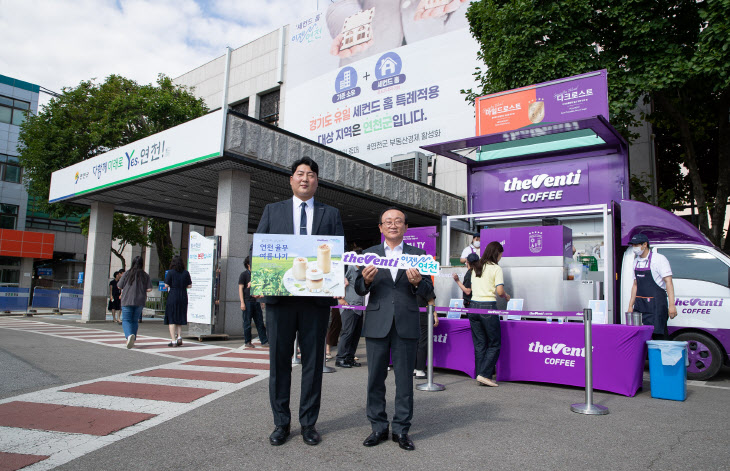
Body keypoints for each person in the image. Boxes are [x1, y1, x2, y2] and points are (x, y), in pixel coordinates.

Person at [255, 156, 345, 447]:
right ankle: (281, 423)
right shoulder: (272, 210)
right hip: (280, 299)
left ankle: (309, 424)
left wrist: (338, 280)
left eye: (310, 175)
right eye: (300, 174)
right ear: (291, 179)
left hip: (315, 300)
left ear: (317, 181)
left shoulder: (330, 214)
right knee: (279, 363)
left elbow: (336, 254)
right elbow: (261, 248)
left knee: (313, 362)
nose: (305, 178)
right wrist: (259, 279)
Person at [355, 207, 434, 451]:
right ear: (380, 228)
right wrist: (366, 280)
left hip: (406, 323)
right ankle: (378, 426)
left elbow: (429, 294)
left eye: (398, 221)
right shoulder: (369, 254)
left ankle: (401, 429)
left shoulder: (419, 256)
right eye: (387, 221)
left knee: (404, 381)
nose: (393, 225)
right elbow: (359, 289)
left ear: (406, 227)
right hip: (378, 323)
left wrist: (418, 283)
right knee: (375, 379)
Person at [469, 241, 510, 387]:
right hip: (487, 306)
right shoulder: (496, 268)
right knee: (494, 343)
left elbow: (473, 288)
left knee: (480, 343)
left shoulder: (476, 267)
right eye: (500, 255)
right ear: (496, 253)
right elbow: (499, 291)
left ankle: (481, 374)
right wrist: (506, 296)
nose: (500, 258)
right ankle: (485, 374)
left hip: (473, 306)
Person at [626, 233, 677, 340]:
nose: (634, 248)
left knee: (659, 335)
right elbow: (635, 285)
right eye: (633, 245)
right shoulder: (635, 261)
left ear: (645, 245)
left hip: (656, 305)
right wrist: (630, 306)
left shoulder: (659, 259)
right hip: (640, 305)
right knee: (641, 336)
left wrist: (672, 305)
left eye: (637, 245)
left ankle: (658, 357)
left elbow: (669, 282)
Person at [117, 256, 152, 349]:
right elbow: (149, 289)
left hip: (127, 299)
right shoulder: (145, 275)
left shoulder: (127, 273)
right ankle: (133, 338)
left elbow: (119, 286)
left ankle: (129, 336)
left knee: (126, 320)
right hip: (140, 300)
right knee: (134, 320)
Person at [335, 263, 364, 368]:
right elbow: (338, 281)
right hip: (348, 305)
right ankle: (340, 358)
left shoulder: (362, 271)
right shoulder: (350, 268)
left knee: (356, 334)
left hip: (359, 306)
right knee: (347, 332)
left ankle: (350, 358)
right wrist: (340, 299)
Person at [239, 256, 268, 349]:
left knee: (260, 322)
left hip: (256, 301)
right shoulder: (243, 275)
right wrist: (242, 302)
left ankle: (264, 341)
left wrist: (262, 301)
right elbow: (240, 289)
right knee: (247, 323)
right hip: (247, 302)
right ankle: (247, 341)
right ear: (248, 264)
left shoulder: (256, 274)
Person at [164, 255, 192, 348]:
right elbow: (189, 286)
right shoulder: (186, 273)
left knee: (172, 318)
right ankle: (179, 336)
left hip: (173, 295)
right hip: (183, 295)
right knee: (180, 317)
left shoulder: (170, 273)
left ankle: (173, 341)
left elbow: (166, 285)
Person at [414, 281, 437, 379]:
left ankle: (414, 368)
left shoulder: (405, 280)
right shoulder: (424, 283)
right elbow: (430, 301)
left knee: (414, 343)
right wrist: (435, 315)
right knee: (422, 343)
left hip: (410, 316)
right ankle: (419, 370)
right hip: (424, 317)